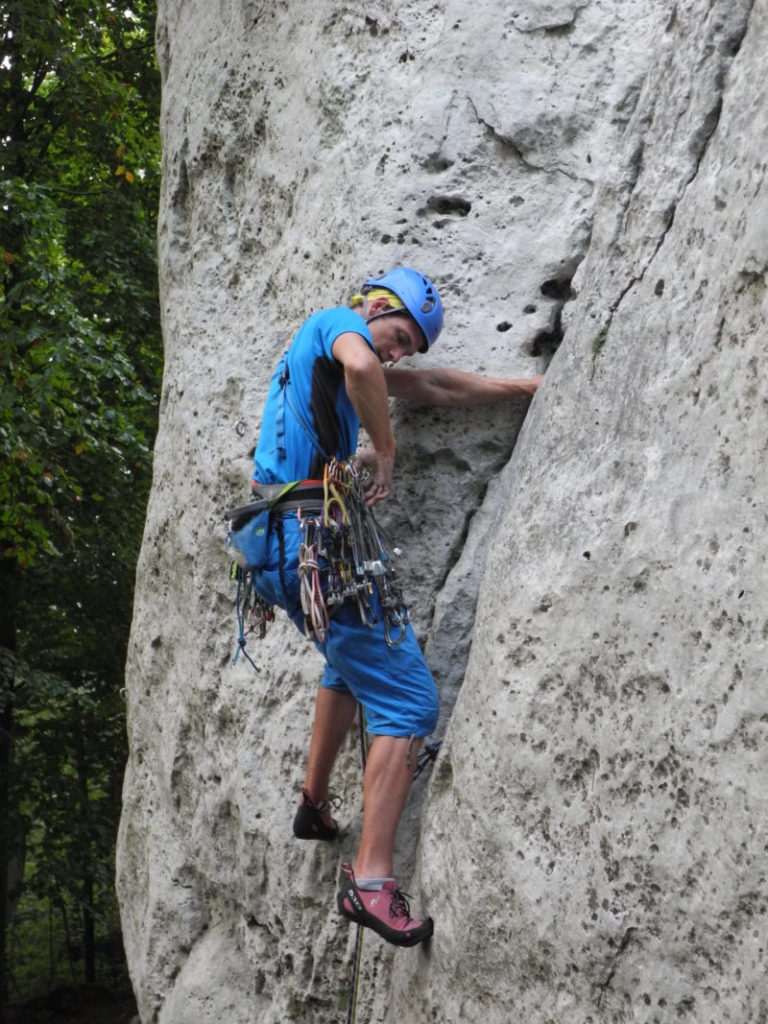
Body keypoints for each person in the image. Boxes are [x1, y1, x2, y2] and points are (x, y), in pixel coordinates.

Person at [250, 267, 541, 947]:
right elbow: (360, 364)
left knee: (348, 664)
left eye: (409, 347)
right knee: (408, 702)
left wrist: (529, 388)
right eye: (401, 335)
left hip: (280, 544)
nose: (398, 354)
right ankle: (373, 884)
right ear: (373, 305)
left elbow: (437, 386)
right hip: (308, 541)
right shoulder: (336, 326)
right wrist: (384, 447)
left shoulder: (345, 364)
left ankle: (313, 802)